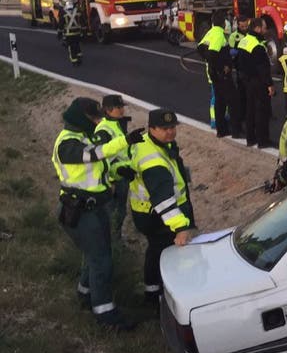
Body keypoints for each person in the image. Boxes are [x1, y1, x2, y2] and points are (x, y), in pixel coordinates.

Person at [52, 96, 139, 331]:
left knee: (95, 255)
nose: (99, 120)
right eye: (94, 116)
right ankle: (105, 313)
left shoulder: (82, 137)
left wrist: (121, 171)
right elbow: (94, 155)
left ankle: (85, 293)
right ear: (81, 118)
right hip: (79, 212)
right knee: (101, 260)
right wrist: (126, 141)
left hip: (93, 208)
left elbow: (103, 168)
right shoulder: (67, 144)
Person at [128, 108, 197, 303]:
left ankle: (152, 291)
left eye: (173, 127)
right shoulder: (154, 161)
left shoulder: (150, 142)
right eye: (165, 128)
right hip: (157, 216)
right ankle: (160, 298)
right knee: (166, 254)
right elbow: (162, 199)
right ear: (152, 128)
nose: (170, 132)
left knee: (156, 250)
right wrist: (181, 228)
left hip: (148, 212)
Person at [93, 93, 134, 240]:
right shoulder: (104, 130)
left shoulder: (117, 124)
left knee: (120, 211)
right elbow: (101, 158)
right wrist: (114, 176)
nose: (122, 110)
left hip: (124, 175)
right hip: (114, 180)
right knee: (113, 213)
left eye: (122, 106)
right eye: (118, 107)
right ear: (108, 110)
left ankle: (116, 240)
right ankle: (112, 243)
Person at [197, 10, 243, 138]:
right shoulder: (218, 35)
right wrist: (222, 68)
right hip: (221, 75)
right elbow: (213, 54)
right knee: (233, 101)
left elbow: (200, 48)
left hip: (214, 74)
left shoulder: (210, 33)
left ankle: (221, 130)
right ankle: (235, 131)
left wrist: (211, 64)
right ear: (223, 23)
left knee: (220, 102)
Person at [237, 18, 274, 148]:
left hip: (246, 81)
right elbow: (263, 68)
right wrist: (269, 84)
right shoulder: (257, 45)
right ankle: (262, 141)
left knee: (250, 110)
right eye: (264, 28)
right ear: (257, 28)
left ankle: (250, 138)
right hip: (258, 81)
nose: (265, 30)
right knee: (261, 111)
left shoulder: (244, 41)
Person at [56, 0, 84, 66]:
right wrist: (83, 31)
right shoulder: (77, 10)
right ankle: (79, 57)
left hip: (69, 34)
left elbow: (61, 24)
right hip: (78, 33)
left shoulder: (62, 12)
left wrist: (59, 33)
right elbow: (82, 21)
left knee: (71, 47)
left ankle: (74, 61)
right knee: (77, 45)